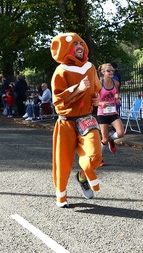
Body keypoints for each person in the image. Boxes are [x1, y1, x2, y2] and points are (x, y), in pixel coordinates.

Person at [50, 32, 102, 208]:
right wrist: (77, 89)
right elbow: (57, 99)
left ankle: (82, 175)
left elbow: (96, 89)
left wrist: (95, 98)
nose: (79, 47)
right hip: (65, 121)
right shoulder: (61, 71)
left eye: (80, 43)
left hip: (86, 118)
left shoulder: (90, 67)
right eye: (74, 45)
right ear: (66, 49)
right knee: (62, 161)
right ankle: (61, 196)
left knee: (95, 155)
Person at [96, 63, 125, 159]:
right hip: (102, 113)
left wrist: (117, 98)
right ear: (103, 72)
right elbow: (93, 102)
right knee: (104, 139)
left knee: (121, 133)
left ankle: (111, 139)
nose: (111, 72)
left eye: (112, 70)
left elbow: (116, 93)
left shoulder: (115, 83)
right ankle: (99, 159)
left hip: (113, 112)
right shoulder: (99, 84)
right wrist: (101, 104)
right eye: (108, 71)